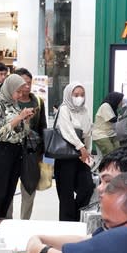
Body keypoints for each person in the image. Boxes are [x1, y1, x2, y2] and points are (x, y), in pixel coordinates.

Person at [0, 73, 35, 226]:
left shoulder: (14, 105)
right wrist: (18, 119)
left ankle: (1, 221)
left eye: (22, 92)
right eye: (18, 91)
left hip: (17, 151)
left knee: (10, 190)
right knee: (0, 190)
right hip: (3, 151)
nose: (20, 95)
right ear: (10, 88)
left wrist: (26, 121)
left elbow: (23, 133)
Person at [5, 67, 46, 220]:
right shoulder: (8, 102)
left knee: (29, 188)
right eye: (24, 83)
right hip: (10, 151)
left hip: (31, 152)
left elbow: (43, 128)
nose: (27, 87)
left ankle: (24, 221)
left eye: (29, 83)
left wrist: (44, 156)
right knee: (8, 186)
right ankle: (7, 221)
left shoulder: (38, 102)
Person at [54, 82, 94, 221]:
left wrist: (87, 151)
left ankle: (76, 217)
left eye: (82, 95)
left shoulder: (84, 110)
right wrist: (81, 147)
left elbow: (88, 132)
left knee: (87, 186)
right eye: (76, 95)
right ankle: (67, 223)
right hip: (66, 156)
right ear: (69, 95)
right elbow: (67, 130)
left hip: (81, 156)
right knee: (66, 194)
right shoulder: (64, 109)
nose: (79, 98)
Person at [92, 91, 123, 157]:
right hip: (101, 135)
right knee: (110, 154)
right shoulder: (105, 106)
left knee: (119, 152)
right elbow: (112, 119)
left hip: (110, 134)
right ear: (115, 100)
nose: (122, 102)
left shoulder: (112, 107)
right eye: (120, 101)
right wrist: (123, 116)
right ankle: (106, 167)